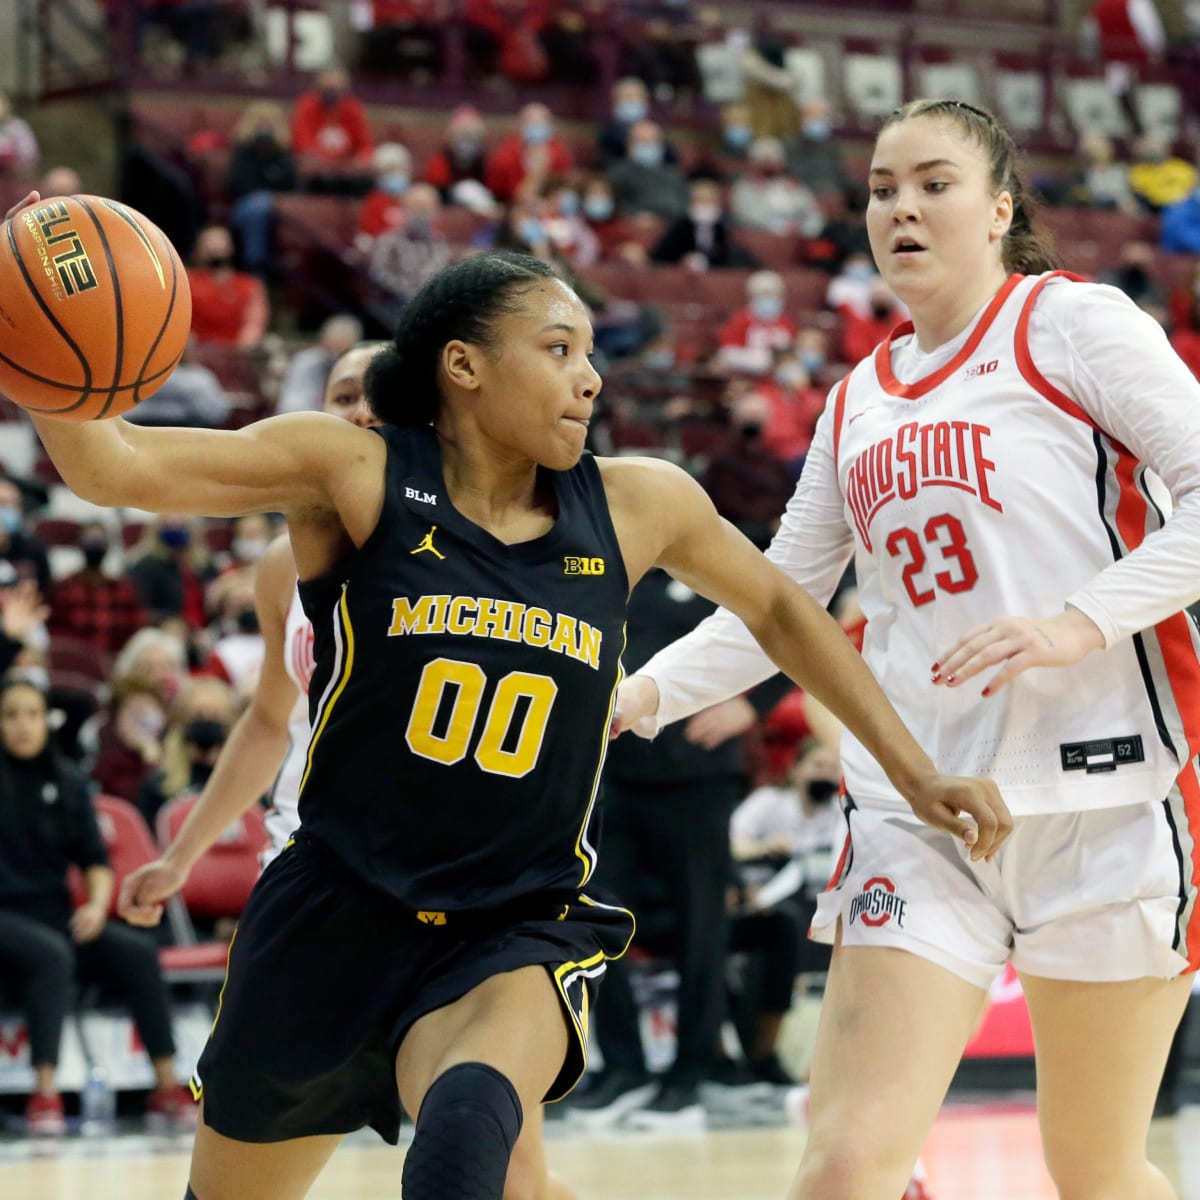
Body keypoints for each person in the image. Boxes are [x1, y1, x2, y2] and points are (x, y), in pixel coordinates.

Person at [12, 218, 1003, 1200]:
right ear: (464, 367)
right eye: (558, 349)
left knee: (460, 1157)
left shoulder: (636, 502)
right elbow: (116, 466)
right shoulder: (353, 471)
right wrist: (36, 347)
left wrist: (914, 770)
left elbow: (787, 610)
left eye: (589, 354)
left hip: (512, 922)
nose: (591, 377)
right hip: (333, 912)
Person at [613, 98, 1200, 1200]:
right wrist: (634, 695)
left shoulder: (1071, 324)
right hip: (918, 807)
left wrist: (1080, 619)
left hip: (1108, 799)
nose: (902, 207)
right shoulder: (854, 402)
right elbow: (779, 603)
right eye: (882, 188)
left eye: (933, 183)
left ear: (1001, 208)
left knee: (1096, 1170)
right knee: (842, 1166)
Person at [0, 676, 195, 1134]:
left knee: (136, 952)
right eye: (11, 715)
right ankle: (44, 1095)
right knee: (52, 956)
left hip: (55, 917)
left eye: (31, 714)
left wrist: (96, 907)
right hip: (7, 919)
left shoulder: (66, 780)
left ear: (46, 721)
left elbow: (95, 859)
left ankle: (167, 1086)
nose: (23, 725)